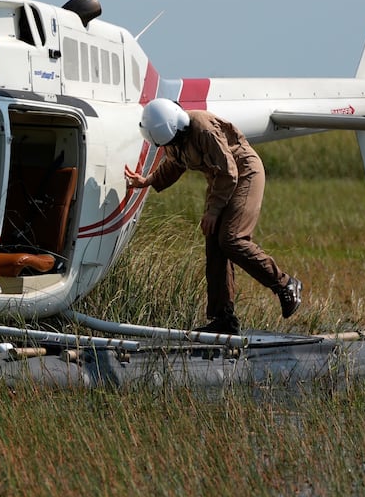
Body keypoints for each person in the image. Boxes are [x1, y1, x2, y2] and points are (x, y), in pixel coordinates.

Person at [123, 98, 301, 335]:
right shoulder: (172, 135)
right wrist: (148, 180)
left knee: (231, 239)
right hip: (220, 182)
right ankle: (223, 318)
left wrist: (213, 211)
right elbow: (175, 164)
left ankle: (285, 284)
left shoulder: (202, 128)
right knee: (214, 244)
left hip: (244, 173)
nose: (173, 144)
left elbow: (230, 172)